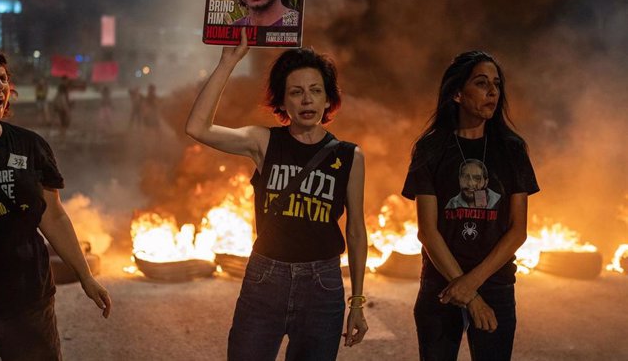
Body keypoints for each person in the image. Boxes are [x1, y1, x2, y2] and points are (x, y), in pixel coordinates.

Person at [186, 30, 368, 360]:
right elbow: (198, 128)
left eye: (316, 91)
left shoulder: (350, 156)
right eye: (296, 92)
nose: (307, 100)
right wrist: (229, 62)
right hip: (265, 279)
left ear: (328, 100)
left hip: (323, 285)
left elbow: (356, 232)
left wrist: (357, 302)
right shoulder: (264, 142)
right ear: (283, 102)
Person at [0, 44, 111, 360]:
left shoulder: (31, 146)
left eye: (3, 78)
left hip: (28, 305)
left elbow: (54, 216)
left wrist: (86, 275)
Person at [401, 51, 539, 360]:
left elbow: (518, 231)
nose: (492, 91)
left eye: (496, 84)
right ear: (457, 93)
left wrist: (473, 285)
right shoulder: (431, 148)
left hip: (496, 284)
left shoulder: (512, 149)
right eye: (481, 83)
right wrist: (469, 296)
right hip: (441, 283)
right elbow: (428, 231)